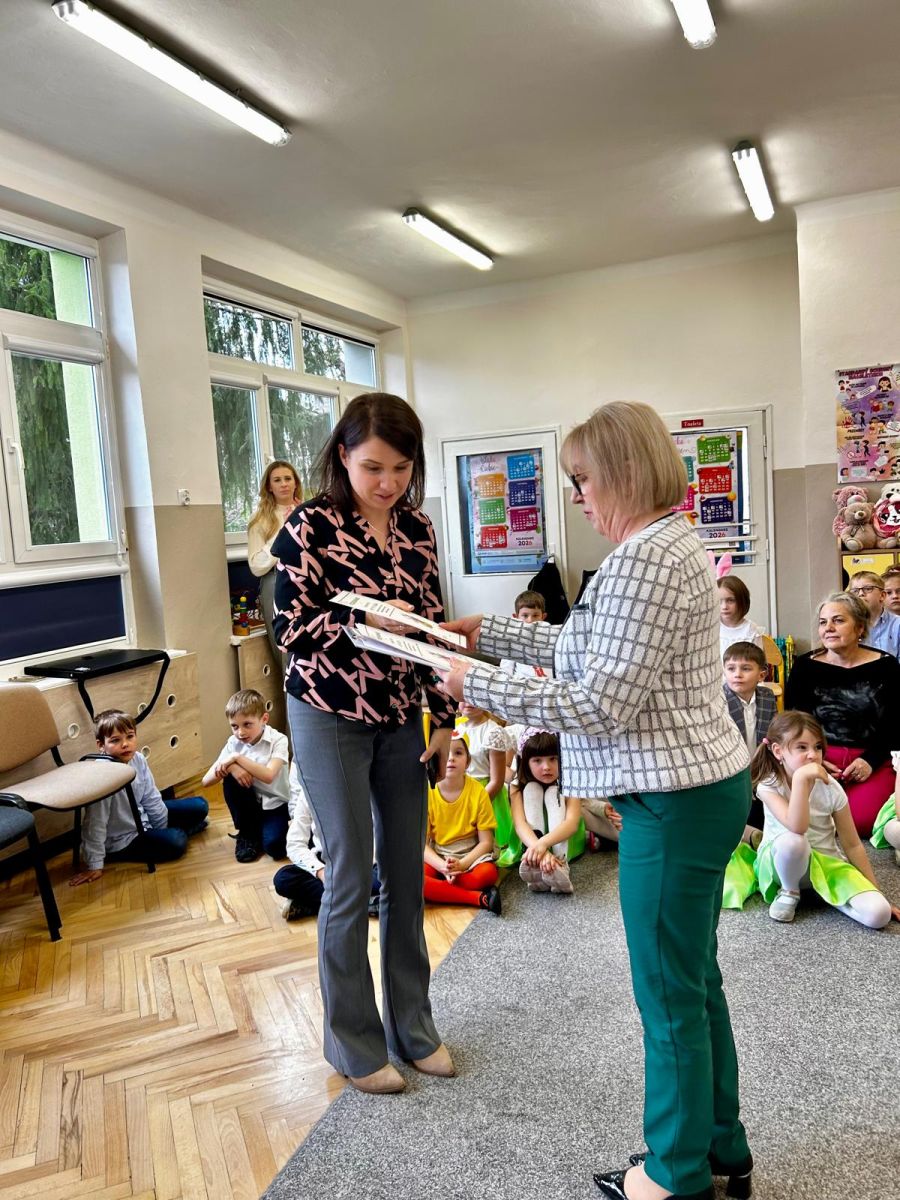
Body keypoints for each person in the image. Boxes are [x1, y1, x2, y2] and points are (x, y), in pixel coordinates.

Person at [440, 401, 752, 1200]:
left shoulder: (646, 557)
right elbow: (588, 646)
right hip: (696, 789)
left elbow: (599, 702)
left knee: (669, 995)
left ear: (622, 471)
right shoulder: (663, 543)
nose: (576, 495)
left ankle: (676, 1174)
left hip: (674, 799)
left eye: (582, 479)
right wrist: (491, 636)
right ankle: (720, 1145)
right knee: (693, 980)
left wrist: (478, 683)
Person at [271, 391, 456, 1096]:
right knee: (350, 873)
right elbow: (292, 630)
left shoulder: (417, 528)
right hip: (327, 714)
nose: (388, 483)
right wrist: (370, 621)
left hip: (401, 713)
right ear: (343, 455)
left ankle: (414, 1027)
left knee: (406, 872)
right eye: (374, 467)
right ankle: (352, 1044)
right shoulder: (308, 526)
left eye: (401, 469)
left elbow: (433, 627)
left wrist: (444, 719)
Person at [752, 711, 897, 927]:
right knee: (794, 841)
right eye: (802, 747)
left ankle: (824, 893)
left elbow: (853, 844)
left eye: (818, 747)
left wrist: (875, 890)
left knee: (879, 915)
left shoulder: (830, 787)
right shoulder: (769, 785)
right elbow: (797, 826)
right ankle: (789, 891)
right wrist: (801, 780)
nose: (812, 755)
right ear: (778, 751)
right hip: (781, 865)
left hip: (826, 864)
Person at [784, 592, 900, 837]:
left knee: (861, 822)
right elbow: (794, 722)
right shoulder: (804, 666)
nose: (828, 628)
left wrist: (870, 761)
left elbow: (896, 724)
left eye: (838, 620)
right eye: (823, 622)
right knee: (808, 818)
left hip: (872, 758)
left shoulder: (887, 666)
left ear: (860, 627)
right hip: (817, 756)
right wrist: (815, 758)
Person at [70, 709, 208, 885]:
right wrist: (95, 864)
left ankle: (176, 831)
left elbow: (151, 798)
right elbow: (95, 823)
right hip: (123, 839)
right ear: (101, 745)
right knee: (177, 840)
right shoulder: (102, 775)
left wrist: (160, 828)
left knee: (200, 805)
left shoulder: (138, 759)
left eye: (130, 736)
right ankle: (183, 831)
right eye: (115, 740)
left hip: (142, 820)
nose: (125, 744)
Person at [274, 763, 381, 920]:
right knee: (283, 879)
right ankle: (365, 904)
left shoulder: (368, 784)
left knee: (385, 880)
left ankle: (318, 904)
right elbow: (294, 844)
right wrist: (321, 872)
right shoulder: (309, 791)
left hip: (365, 866)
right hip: (327, 865)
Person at [202, 688, 290, 862]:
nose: (240, 733)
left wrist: (236, 758)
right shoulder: (233, 742)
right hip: (249, 804)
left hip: (276, 804)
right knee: (229, 776)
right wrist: (232, 767)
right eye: (234, 726)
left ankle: (262, 830)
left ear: (264, 719)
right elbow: (206, 781)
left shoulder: (279, 740)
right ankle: (248, 832)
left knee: (275, 848)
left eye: (247, 724)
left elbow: (269, 776)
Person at [424, 735, 501, 913]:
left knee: (488, 874)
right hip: (439, 855)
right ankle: (479, 899)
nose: (450, 758)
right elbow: (421, 845)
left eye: (458, 753)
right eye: (444, 753)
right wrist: (442, 866)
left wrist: (463, 864)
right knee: (415, 880)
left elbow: (486, 843)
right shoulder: (427, 792)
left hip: (472, 855)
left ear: (468, 762)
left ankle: (442, 888)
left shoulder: (478, 792)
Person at [510, 729, 581, 893]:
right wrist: (540, 850)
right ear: (526, 762)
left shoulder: (571, 781)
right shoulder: (516, 786)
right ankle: (535, 862)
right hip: (530, 842)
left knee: (553, 792)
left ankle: (561, 863)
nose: (546, 767)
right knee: (531, 789)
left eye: (553, 759)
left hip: (563, 839)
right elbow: (520, 824)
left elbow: (572, 823)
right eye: (537, 760)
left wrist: (543, 845)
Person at [247, 460, 302, 663]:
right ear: (269, 486)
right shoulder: (259, 519)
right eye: (277, 480)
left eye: (288, 478)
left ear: (295, 483)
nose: (284, 484)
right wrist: (284, 532)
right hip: (276, 580)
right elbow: (256, 566)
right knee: (285, 649)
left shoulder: (307, 511)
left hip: (307, 580)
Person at [722, 641, 777, 838]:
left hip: (760, 765)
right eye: (731, 668)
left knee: (764, 808)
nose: (737, 674)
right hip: (731, 768)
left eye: (746, 669)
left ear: (761, 675)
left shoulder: (767, 696)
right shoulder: (719, 700)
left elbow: (773, 733)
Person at [848, 569, 900, 657]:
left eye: (868, 589)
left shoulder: (897, 624)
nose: (861, 594)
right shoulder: (847, 625)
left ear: (882, 595)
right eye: (855, 591)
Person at [718, 575, 764, 659]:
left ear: (742, 600)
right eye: (719, 601)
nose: (724, 606)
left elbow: (758, 662)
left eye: (730, 600)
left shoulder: (751, 630)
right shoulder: (712, 628)